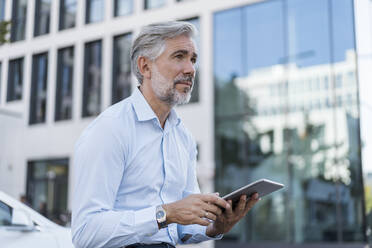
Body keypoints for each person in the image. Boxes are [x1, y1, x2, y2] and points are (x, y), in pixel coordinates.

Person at [71, 21, 260, 248]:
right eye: (179, 56)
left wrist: (215, 227)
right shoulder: (109, 130)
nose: (190, 69)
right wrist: (164, 214)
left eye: (193, 59)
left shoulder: (184, 138)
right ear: (145, 67)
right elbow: (85, 232)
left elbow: (182, 226)